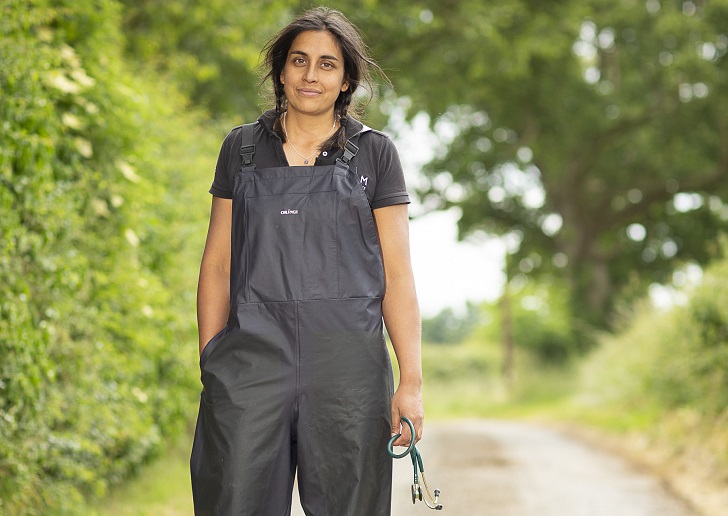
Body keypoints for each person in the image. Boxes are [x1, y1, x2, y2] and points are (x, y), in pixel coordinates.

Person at [190, 7, 423, 515]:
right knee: (232, 503)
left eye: (327, 65)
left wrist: (411, 382)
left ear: (346, 81)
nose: (310, 75)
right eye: (299, 61)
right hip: (251, 363)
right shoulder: (242, 149)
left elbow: (398, 275)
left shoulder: (374, 154)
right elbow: (218, 264)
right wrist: (213, 360)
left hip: (349, 372)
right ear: (281, 71)